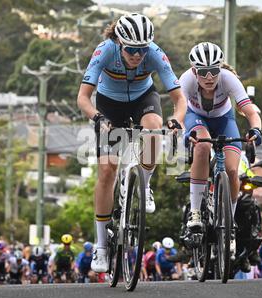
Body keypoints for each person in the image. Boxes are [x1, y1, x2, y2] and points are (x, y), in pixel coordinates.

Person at [77, 13, 187, 273]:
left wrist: (176, 121)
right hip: (108, 104)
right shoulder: (105, 50)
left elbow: (179, 99)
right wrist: (98, 118)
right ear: (119, 41)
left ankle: (144, 185)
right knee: (106, 170)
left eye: (142, 50)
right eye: (131, 50)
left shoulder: (155, 54)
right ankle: (102, 245)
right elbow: (83, 97)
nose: (137, 55)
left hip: (143, 98)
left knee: (152, 129)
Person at [179, 42, 262, 260]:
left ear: (220, 69)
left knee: (233, 171)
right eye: (203, 72)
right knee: (203, 144)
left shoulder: (228, 79)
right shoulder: (186, 80)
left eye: (214, 71)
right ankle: (196, 212)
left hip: (224, 120)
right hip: (195, 117)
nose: (209, 77)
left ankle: (229, 220)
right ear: (194, 71)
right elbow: (178, 112)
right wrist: (182, 131)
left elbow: (250, 110)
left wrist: (256, 128)